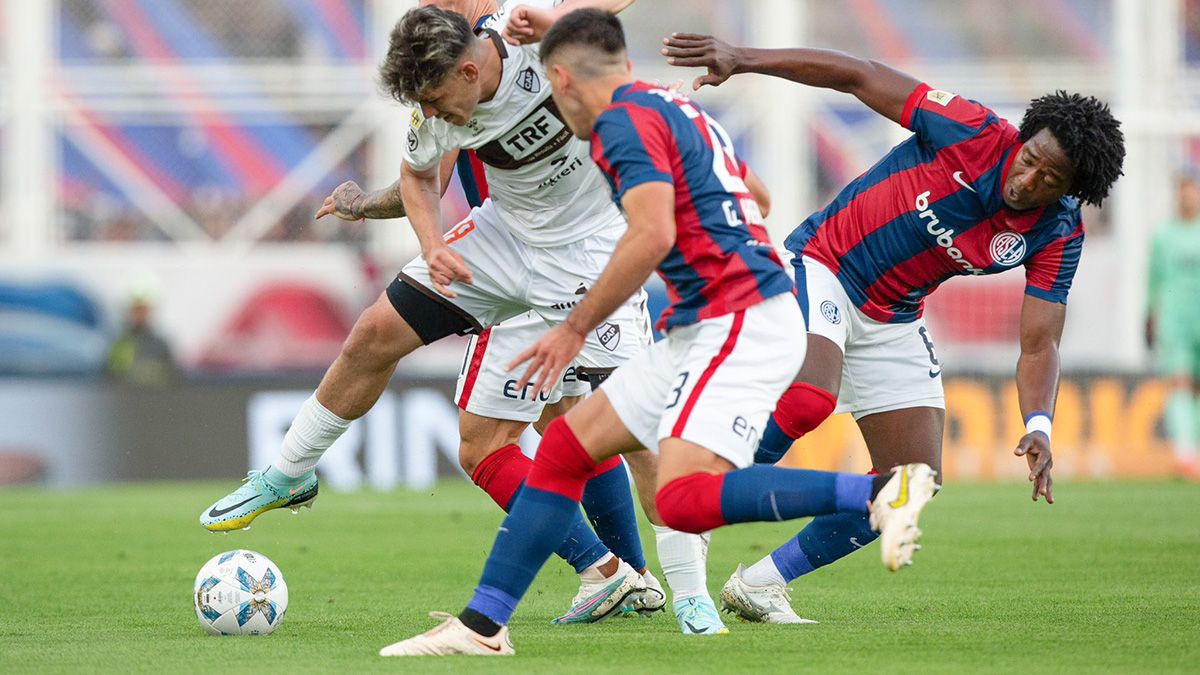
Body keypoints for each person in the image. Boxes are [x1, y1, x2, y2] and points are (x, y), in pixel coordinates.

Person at [377, 9, 938, 657]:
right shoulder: (670, 107)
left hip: (740, 319)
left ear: (560, 79)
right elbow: (755, 196)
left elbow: (652, 235)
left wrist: (572, 331)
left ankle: (878, 492)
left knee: (682, 497)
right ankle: (483, 627)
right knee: (564, 450)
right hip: (714, 316)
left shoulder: (620, 124)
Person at [199, 0, 670, 625]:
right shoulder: (441, 87)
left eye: (440, 100)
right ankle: (289, 472)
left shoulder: (531, 34)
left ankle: (674, 589)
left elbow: (599, 30)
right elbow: (421, 178)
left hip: (590, 254)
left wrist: (555, 19)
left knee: (612, 430)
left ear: (472, 64)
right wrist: (428, 244)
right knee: (376, 333)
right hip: (502, 242)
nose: (436, 112)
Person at [658, 33, 1126, 623]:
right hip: (823, 263)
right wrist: (744, 59)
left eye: (1050, 179)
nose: (1029, 179)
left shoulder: (1058, 233)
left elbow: (1040, 343)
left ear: (1072, 191)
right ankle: (698, 499)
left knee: (914, 483)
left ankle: (761, 584)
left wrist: (1040, 425)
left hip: (894, 314)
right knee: (806, 400)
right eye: (1030, 158)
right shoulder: (972, 129)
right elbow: (857, 74)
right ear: (1023, 135)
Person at [1146, 175, 1200, 481]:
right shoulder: (1163, 236)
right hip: (1176, 322)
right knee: (1179, 383)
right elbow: (1153, 281)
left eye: (1191, 192)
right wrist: (1149, 315)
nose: (1187, 198)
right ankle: (1185, 454)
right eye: (1182, 192)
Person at [107, 294, 176, 385]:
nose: (140, 314)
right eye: (137, 310)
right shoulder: (120, 343)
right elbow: (111, 374)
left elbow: (171, 374)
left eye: (143, 310)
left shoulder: (160, 344)